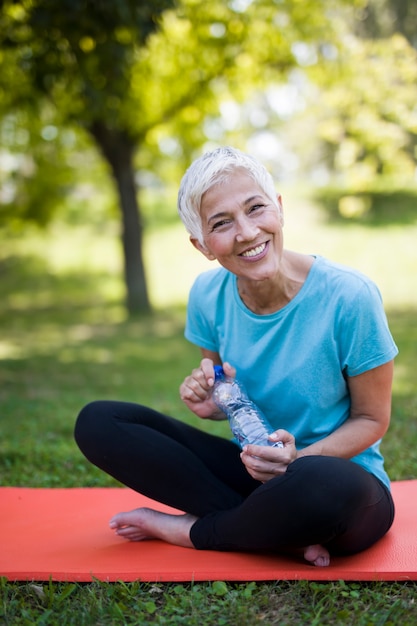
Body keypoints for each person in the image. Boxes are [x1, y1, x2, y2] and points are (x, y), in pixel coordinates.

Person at [74, 146, 398, 567]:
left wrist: (298, 458)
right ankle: (275, 534)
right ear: (202, 245)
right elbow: (227, 387)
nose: (246, 232)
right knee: (99, 421)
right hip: (254, 472)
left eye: (256, 208)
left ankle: (189, 530)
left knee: (319, 484)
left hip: (338, 484)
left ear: (279, 210)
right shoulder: (207, 295)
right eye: (222, 223)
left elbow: (372, 419)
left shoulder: (350, 296)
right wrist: (215, 403)